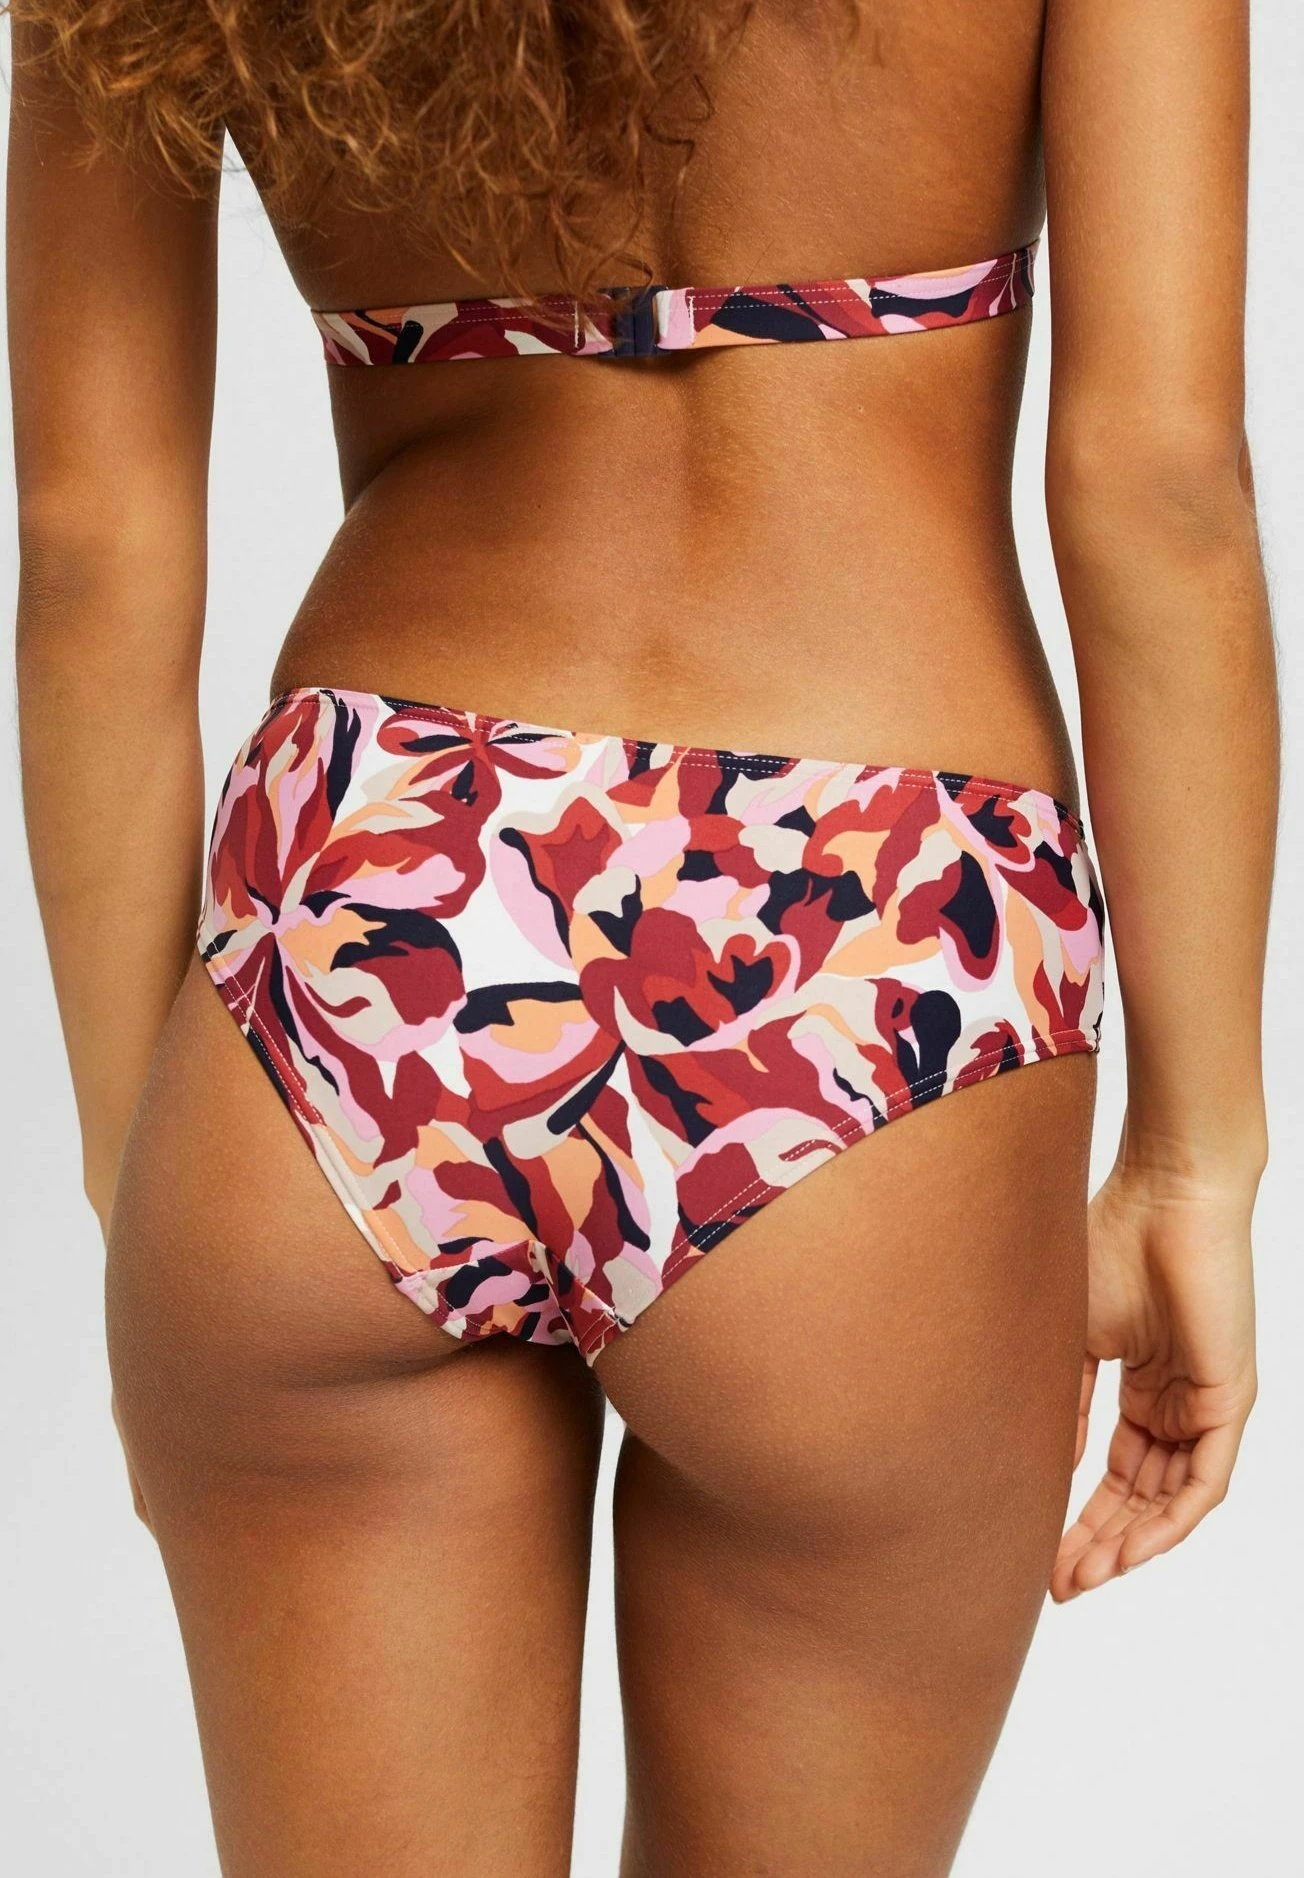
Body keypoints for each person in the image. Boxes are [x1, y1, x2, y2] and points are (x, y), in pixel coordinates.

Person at [9, 2, 1276, 1872]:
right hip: (867, 921)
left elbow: (92, 544)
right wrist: (1194, 1155)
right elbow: (1155, 487)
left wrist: (149, 1186)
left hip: (375, 910)